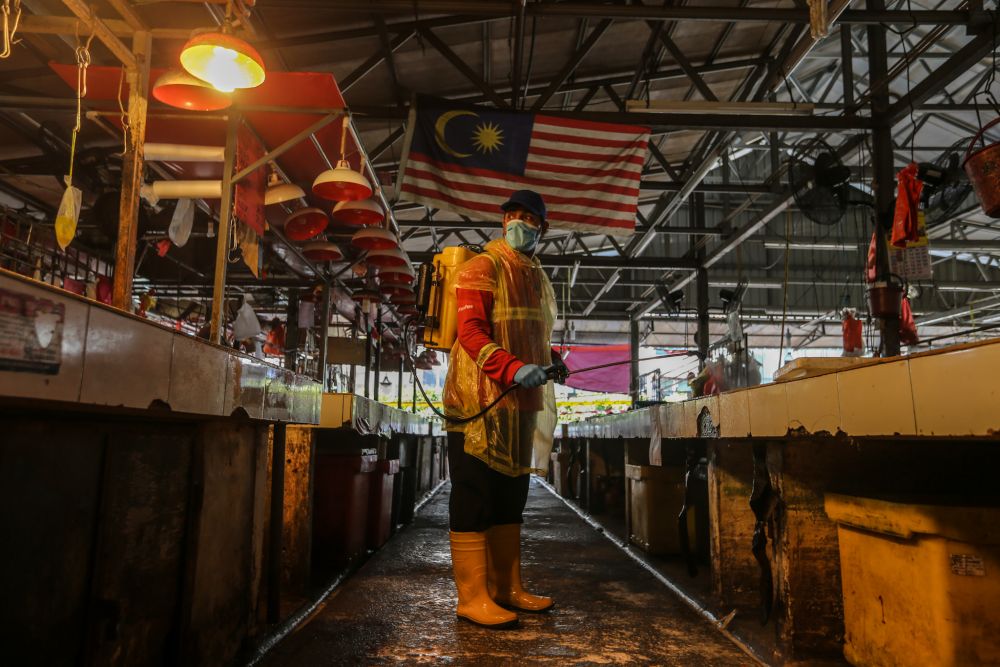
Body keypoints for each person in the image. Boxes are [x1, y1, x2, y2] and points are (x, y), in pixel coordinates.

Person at [442, 189, 565, 629]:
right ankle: (471, 597)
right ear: (502, 221)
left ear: (542, 227)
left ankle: (507, 587)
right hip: (478, 402)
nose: (519, 223)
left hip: (518, 404)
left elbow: (529, 332)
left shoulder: (534, 275)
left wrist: (549, 359)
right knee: (474, 496)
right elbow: (472, 332)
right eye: (512, 215)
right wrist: (512, 368)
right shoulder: (483, 266)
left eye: (528, 218)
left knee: (511, 498)